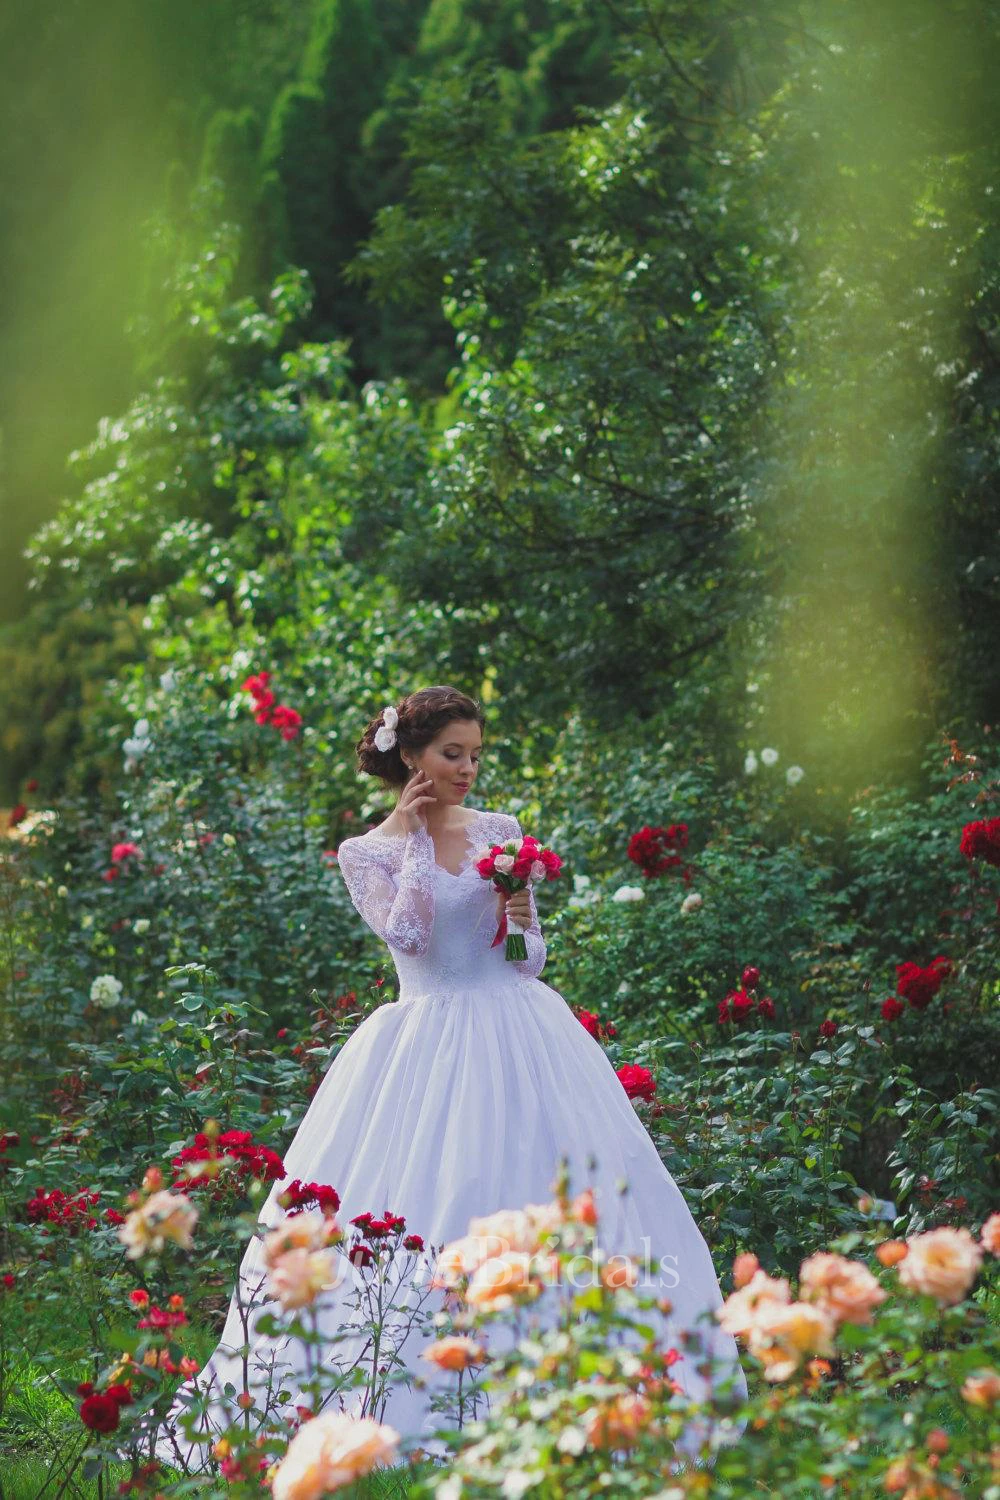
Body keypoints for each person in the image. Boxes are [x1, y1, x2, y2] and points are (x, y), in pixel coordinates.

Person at [153, 684, 747, 1473]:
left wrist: (516, 900)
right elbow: (407, 933)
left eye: (474, 754)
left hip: (525, 1030)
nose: (467, 770)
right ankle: (417, 1408)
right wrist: (408, 836)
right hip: (425, 1039)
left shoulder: (500, 833)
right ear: (410, 756)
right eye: (450, 754)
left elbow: (527, 958)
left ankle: (588, 1396)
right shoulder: (366, 851)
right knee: (433, 1200)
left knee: (569, 1196)